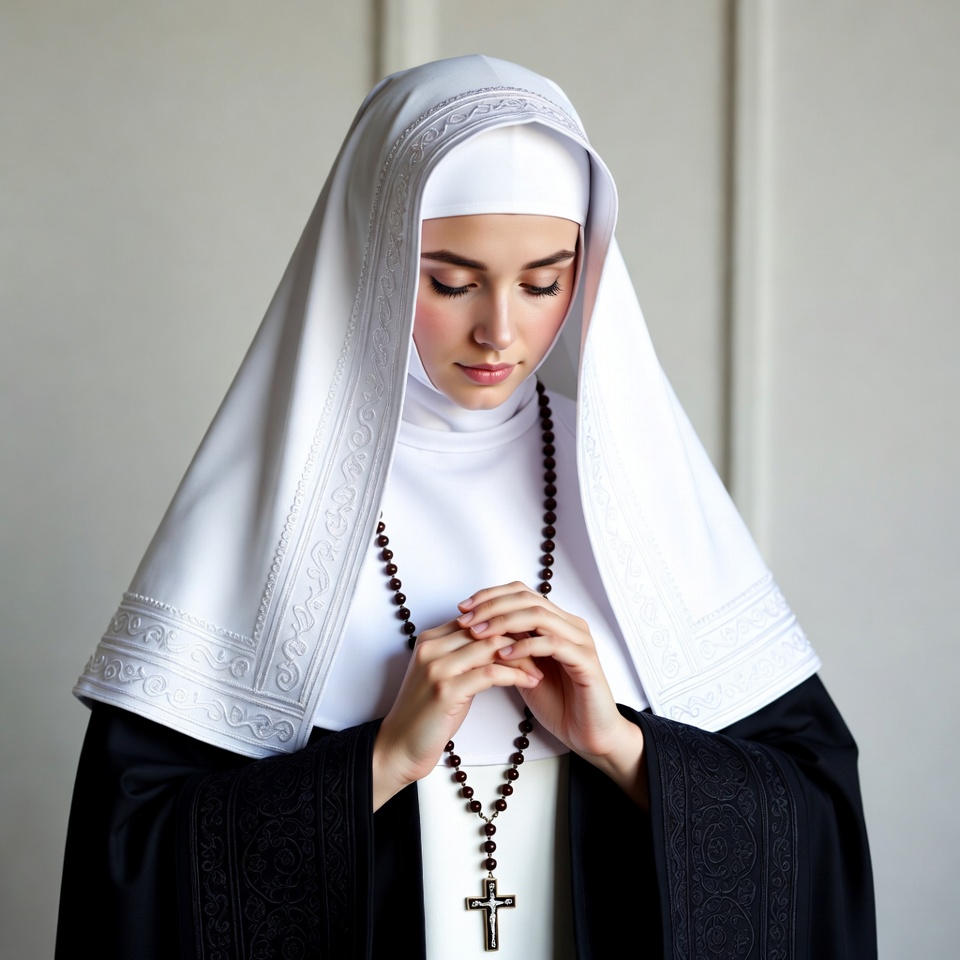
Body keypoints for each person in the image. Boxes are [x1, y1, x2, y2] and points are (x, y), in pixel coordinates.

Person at [57, 55, 875, 959]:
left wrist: (621, 746)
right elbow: (132, 865)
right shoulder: (262, 507)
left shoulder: (637, 484)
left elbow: (812, 817)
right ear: (373, 259)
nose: (500, 332)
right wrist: (379, 763)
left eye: (544, 282)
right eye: (450, 282)